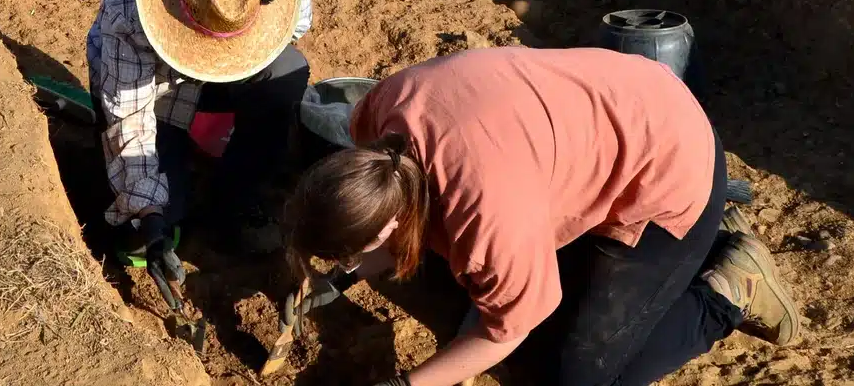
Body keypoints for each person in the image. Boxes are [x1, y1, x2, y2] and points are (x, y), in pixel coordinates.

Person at [281, 47, 798, 386]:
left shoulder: (486, 217)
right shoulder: (379, 120)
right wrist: (334, 276)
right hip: (605, 126)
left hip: (665, 168)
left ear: (390, 222)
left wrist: (406, 385)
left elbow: (503, 331)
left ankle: (727, 290)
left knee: (567, 376)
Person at [88, 0, 313, 266]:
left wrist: (230, 60)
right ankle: (174, 184)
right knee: (158, 217)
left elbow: (295, 28)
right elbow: (129, 113)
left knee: (286, 71)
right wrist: (149, 213)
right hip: (153, 86)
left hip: (218, 81)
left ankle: (237, 199)